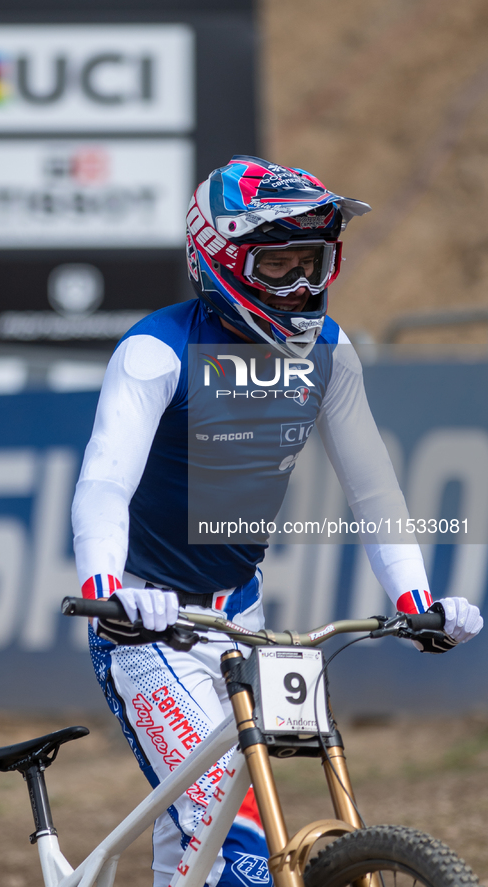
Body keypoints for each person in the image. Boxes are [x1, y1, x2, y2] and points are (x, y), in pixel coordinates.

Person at [71, 156, 482, 887]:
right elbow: (103, 482)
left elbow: (374, 491)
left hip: (243, 618)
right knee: (241, 845)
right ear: (218, 261)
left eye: (312, 263)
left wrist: (415, 601)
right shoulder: (153, 349)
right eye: (277, 265)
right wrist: (109, 587)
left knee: (198, 849)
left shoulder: (327, 350)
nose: (300, 287)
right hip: (148, 620)